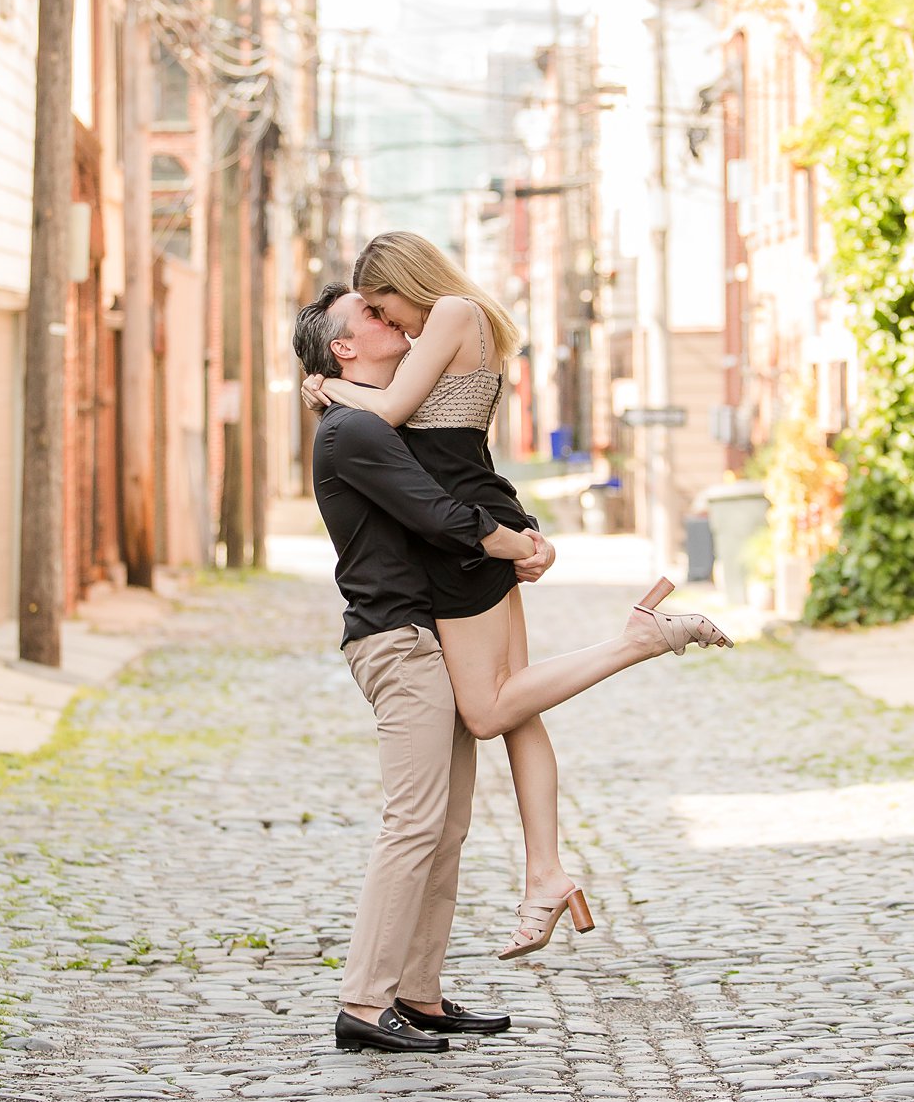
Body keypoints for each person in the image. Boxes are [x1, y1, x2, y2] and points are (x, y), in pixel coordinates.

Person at [302, 231, 729, 959]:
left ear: (408, 281)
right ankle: (546, 871)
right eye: (372, 315)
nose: (392, 323)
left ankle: (639, 638)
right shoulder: (470, 318)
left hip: (462, 540)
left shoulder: (451, 315)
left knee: (490, 708)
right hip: (481, 518)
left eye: (384, 304)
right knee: (521, 701)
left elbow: (394, 410)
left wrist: (326, 387)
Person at [293, 283, 552, 1056]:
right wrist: (519, 543)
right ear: (344, 347)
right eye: (368, 315)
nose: (388, 317)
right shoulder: (354, 433)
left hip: (429, 635)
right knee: (413, 821)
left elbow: (455, 476)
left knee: (447, 825)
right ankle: (364, 1002)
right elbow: (440, 514)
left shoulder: (376, 417)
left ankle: (419, 990)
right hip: (396, 641)